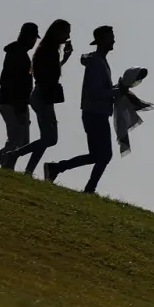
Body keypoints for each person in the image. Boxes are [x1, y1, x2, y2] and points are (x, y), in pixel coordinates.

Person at [45, 26, 118, 194]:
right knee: (104, 155)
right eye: (110, 37)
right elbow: (95, 92)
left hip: (95, 113)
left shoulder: (100, 61)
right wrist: (116, 91)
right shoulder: (97, 62)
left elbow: (99, 89)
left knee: (97, 155)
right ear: (100, 40)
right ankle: (88, 188)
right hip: (95, 114)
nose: (113, 41)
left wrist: (116, 88)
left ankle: (56, 168)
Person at [0, 19, 73, 176]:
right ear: (58, 32)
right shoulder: (47, 49)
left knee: (48, 138)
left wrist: (65, 58)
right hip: (43, 95)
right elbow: (42, 73)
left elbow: (49, 71)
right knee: (49, 138)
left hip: (44, 95)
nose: (68, 36)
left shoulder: (49, 49)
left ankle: (28, 169)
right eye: (66, 32)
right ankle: (14, 156)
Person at [0, 22, 40, 169]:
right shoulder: (18, 55)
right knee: (16, 141)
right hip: (12, 103)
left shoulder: (20, 54)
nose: (34, 43)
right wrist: (20, 109)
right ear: (28, 38)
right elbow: (13, 83)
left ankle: (3, 163)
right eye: (33, 39)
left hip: (15, 103)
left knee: (21, 141)